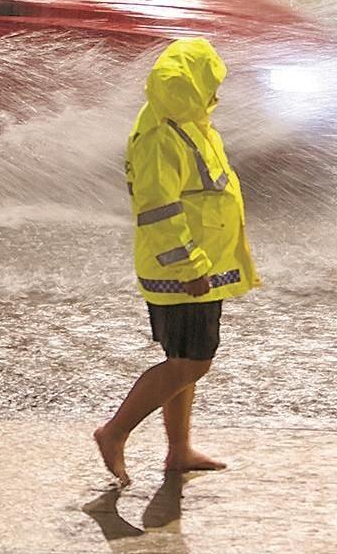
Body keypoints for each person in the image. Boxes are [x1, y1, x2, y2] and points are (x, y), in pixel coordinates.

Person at [94, 37, 260, 487]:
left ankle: (179, 450)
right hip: (184, 271)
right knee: (191, 363)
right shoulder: (160, 136)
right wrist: (190, 267)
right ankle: (115, 432)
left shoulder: (188, 122)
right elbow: (158, 211)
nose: (216, 95)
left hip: (199, 265)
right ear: (189, 87)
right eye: (210, 85)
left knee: (182, 359)